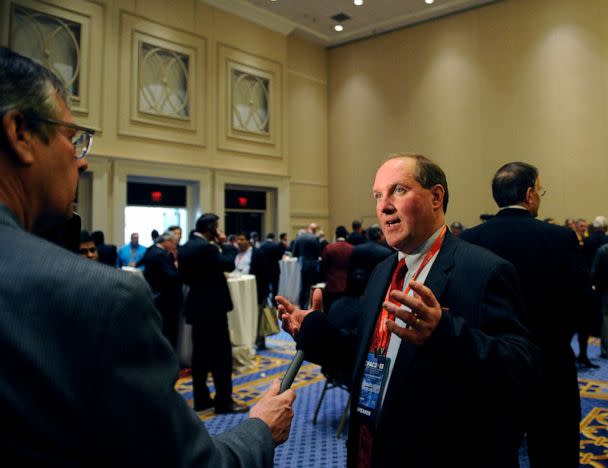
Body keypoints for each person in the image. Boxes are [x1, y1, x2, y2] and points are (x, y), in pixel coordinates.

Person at [0, 47, 294, 466]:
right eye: (72, 138)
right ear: (20, 134)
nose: (81, 161)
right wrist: (260, 430)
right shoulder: (100, 299)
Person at [277, 154, 538, 468]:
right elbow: (368, 354)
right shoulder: (382, 271)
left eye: (398, 190)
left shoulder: (484, 270)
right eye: (378, 195)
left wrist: (444, 333)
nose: (384, 205)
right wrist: (316, 333)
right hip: (373, 446)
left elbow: (521, 370)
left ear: (436, 197)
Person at [460, 162, 591, 468]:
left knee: (493, 454)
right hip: (551, 367)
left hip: (491, 367)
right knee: (554, 454)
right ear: (530, 194)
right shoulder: (560, 238)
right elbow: (583, 304)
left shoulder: (469, 240)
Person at [179, 214, 249, 414]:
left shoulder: (186, 247)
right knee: (221, 357)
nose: (218, 231)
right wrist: (225, 243)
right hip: (214, 308)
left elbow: (184, 276)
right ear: (210, 228)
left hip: (196, 307)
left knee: (199, 356)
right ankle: (224, 401)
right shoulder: (207, 248)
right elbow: (228, 263)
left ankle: (201, 399)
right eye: (217, 227)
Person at [142, 230, 182, 349]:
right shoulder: (160, 254)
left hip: (156, 294)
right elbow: (169, 276)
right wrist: (183, 272)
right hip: (166, 297)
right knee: (168, 330)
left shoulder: (151, 250)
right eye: (174, 243)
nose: (175, 246)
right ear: (167, 242)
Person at [346, 224, 393, 297]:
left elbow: (351, 269)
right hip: (379, 287)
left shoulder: (357, 249)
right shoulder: (386, 252)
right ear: (380, 235)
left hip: (359, 286)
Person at [292, 223, 322, 308]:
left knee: (303, 286)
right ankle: (311, 306)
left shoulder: (300, 237)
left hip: (302, 265)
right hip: (312, 265)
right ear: (314, 230)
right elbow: (318, 253)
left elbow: (294, 253)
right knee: (312, 287)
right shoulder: (315, 238)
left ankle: (302, 305)